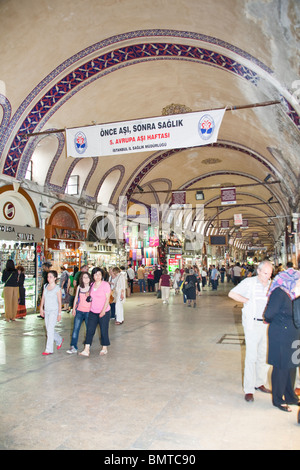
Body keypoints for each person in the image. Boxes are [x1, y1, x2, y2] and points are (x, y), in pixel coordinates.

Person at [228, 260, 273, 402]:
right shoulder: (249, 282)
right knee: (251, 356)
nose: (267, 276)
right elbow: (232, 293)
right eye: (265, 273)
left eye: (270, 273)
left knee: (264, 355)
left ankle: (259, 382)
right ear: (258, 271)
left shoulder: (272, 284)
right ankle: (249, 389)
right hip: (252, 324)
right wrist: (247, 300)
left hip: (267, 324)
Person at [263, 268, 300, 412]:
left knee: (291, 366)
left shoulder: (294, 295)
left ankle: (291, 396)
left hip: (294, 334)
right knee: (281, 366)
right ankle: (278, 399)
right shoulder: (279, 293)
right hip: (280, 335)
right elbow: (269, 314)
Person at [79, 267, 111, 357]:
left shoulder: (105, 285)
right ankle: (86, 349)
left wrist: (103, 311)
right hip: (93, 311)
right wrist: (88, 294)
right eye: (96, 274)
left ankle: (104, 348)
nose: (98, 276)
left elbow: (107, 299)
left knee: (103, 330)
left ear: (102, 275)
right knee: (90, 330)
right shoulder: (92, 284)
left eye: (99, 274)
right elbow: (91, 294)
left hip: (104, 311)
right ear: (93, 275)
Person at [66, 271, 92, 354]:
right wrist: (74, 309)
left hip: (89, 312)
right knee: (75, 329)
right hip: (79, 311)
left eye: (87, 277)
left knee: (89, 329)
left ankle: (87, 347)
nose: (86, 279)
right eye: (84, 277)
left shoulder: (92, 288)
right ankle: (73, 346)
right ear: (81, 279)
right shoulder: (79, 287)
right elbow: (76, 298)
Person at [40, 270, 64, 355]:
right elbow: (43, 298)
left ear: (55, 278)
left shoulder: (57, 289)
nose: (48, 278)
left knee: (50, 329)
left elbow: (60, 302)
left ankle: (49, 349)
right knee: (49, 329)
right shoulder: (45, 286)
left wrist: (59, 314)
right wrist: (41, 308)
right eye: (48, 277)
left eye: (50, 277)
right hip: (47, 310)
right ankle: (59, 339)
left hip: (54, 311)